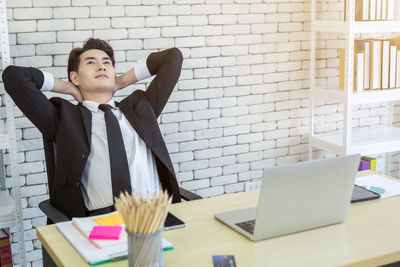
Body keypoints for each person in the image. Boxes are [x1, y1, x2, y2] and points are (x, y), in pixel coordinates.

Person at [2, 38, 183, 218]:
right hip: (100, 222)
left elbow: (173, 57)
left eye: (107, 63)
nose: (101, 66)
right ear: (75, 77)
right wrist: (68, 88)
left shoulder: (141, 108)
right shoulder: (63, 119)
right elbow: (13, 76)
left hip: (155, 214)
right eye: (91, 62)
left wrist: (120, 81)